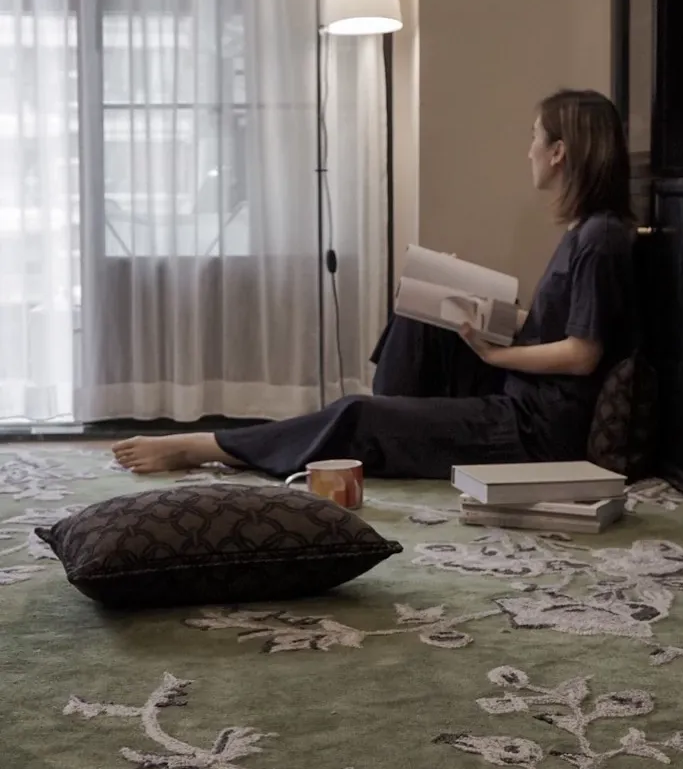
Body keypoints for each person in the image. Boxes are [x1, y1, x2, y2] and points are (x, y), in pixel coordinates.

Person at [113, 88, 636, 478]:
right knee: (422, 309)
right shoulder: (585, 230)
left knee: (356, 412)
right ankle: (387, 425)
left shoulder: (600, 238)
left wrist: (498, 356)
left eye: (534, 138)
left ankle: (207, 447)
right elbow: (551, 324)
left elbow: (582, 354)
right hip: (523, 394)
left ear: (559, 151)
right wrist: (468, 295)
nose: (528, 150)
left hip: (535, 427)